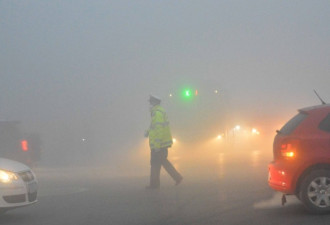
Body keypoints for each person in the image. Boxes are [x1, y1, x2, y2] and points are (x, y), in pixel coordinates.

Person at [145, 95, 183, 189]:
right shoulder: (158, 112)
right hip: (161, 144)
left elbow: (159, 129)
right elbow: (154, 126)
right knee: (160, 162)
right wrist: (148, 132)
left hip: (159, 145)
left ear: (154, 103)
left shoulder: (157, 113)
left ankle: (155, 184)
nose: (149, 104)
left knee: (155, 163)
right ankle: (176, 178)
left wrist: (157, 145)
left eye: (150, 102)